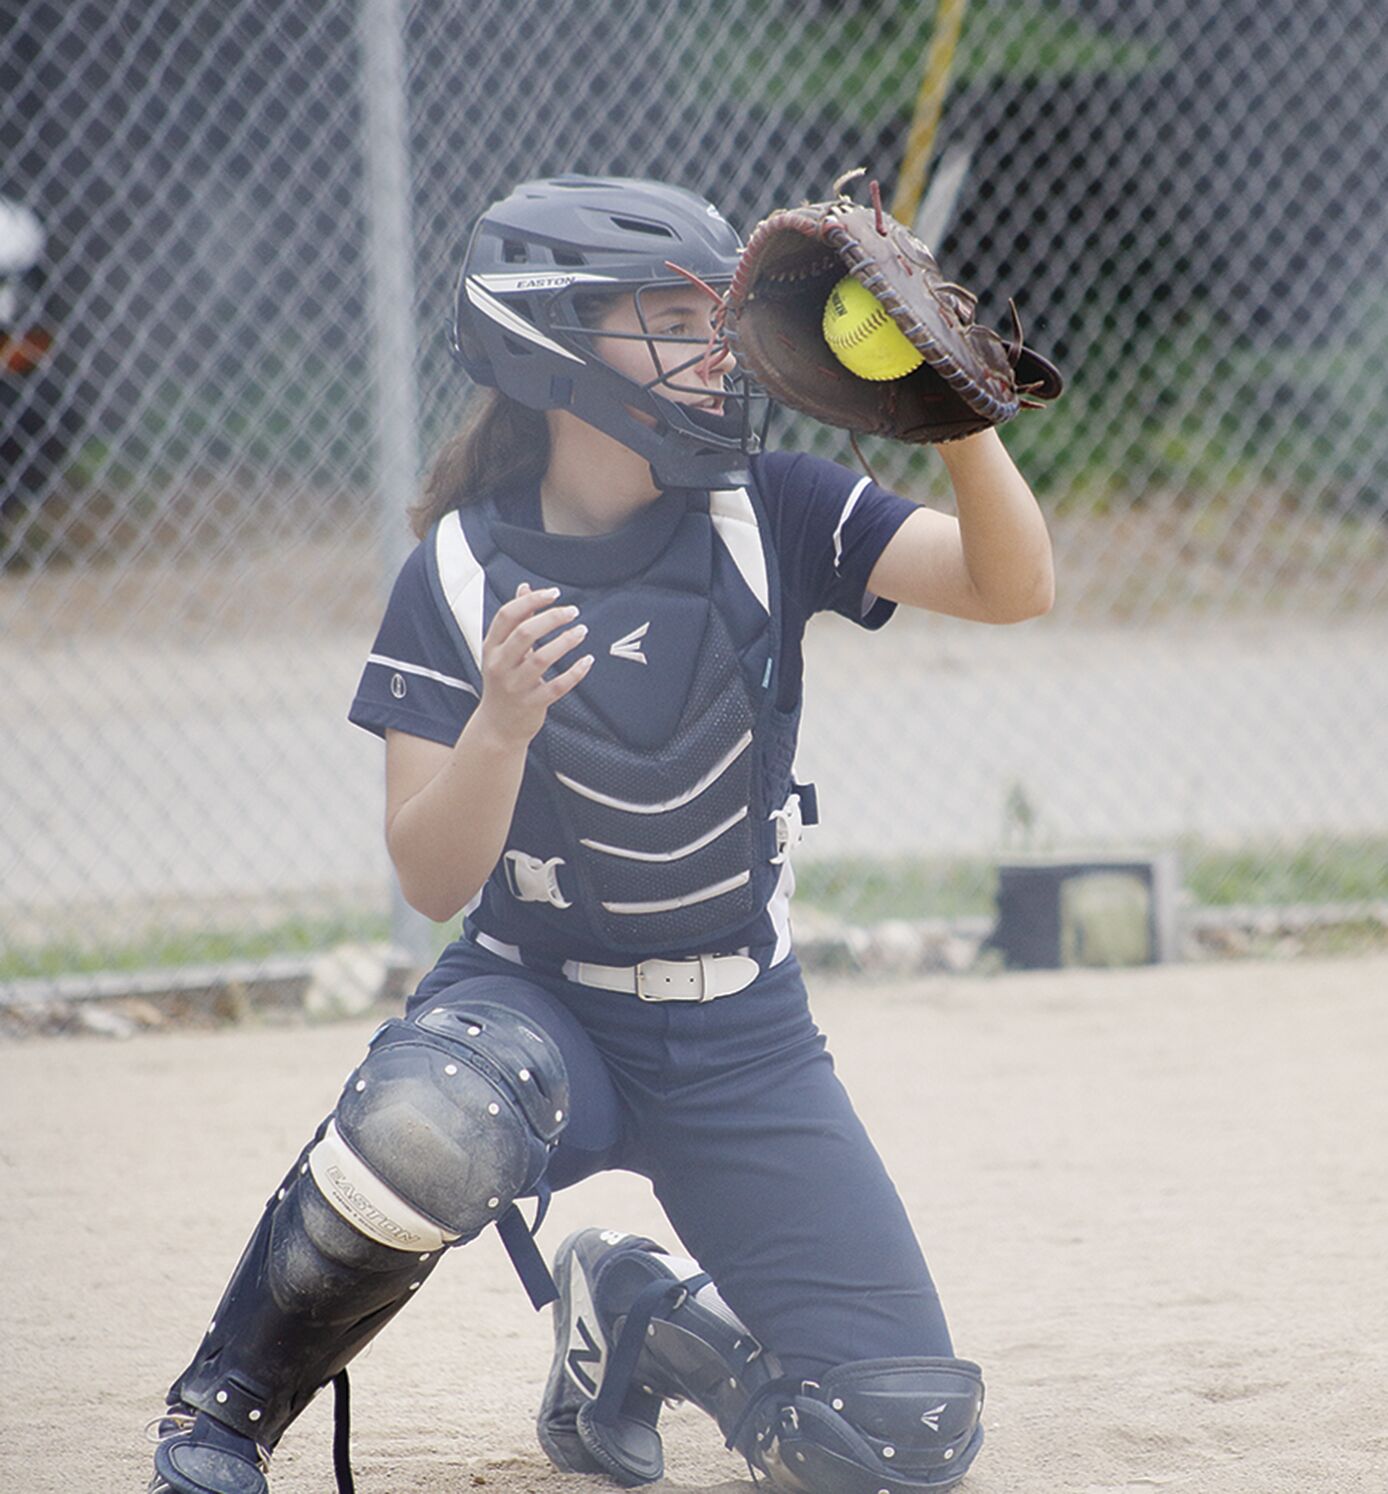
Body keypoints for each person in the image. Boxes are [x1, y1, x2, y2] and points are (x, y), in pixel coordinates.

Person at [148, 175, 1054, 1494]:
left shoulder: (770, 507)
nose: (717, 349)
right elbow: (432, 875)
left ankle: (642, 1316)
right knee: (427, 1122)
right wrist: (499, 728)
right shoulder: (458, 571)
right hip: (542, 1011)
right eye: (672, 321)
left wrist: (956, 416)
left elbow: (1011, 585)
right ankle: (219, 1420)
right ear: (551, 339)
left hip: (746, 1039)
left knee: (899, 1437)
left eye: (716, 318)